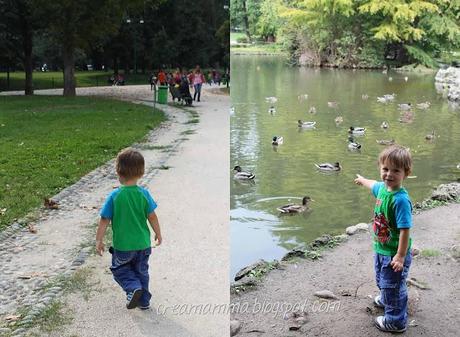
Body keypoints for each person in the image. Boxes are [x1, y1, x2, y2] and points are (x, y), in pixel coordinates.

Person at [354, 145, 413, 333]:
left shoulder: (400, 200)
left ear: (406, 173)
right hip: (382, 249)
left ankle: (395, 321)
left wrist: (401, 256)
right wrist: (362, 180)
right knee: (382, 279)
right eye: (385, 169)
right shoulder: (382, 189)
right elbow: (373, 184)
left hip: (395, 254)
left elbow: (405, 230)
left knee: (393, 285)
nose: (389, 174)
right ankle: (388, 298)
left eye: (395, 170)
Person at [95, 148, 162, 310]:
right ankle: (144, 301)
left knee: (120, 269)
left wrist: (99, 240)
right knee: (142, 272)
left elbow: (105, 219)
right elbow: (152, 216)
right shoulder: (144, 194)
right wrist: (158, 233)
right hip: (143, 244)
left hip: (123, 245)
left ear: (118, 172)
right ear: (141, 172)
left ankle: (132, 288)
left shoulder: (115, 196)